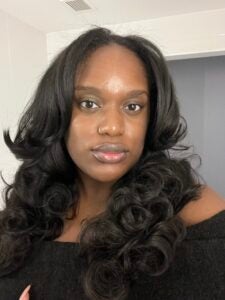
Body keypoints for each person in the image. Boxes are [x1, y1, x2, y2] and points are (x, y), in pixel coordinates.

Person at [0, 27, 225, 300]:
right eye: (89, 103)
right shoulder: (23, 213)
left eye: (133, 106)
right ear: (57, 110)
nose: (113, 127)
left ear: (150, 119)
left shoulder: (197, 217)